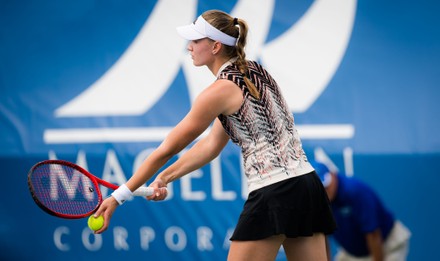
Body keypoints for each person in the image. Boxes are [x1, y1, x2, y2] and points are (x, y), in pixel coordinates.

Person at [94, 10, 336, 260]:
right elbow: (211, 145)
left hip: (274, 191)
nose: (189, 47)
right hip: (307, 186)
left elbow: (167, 149)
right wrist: (164, 177)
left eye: (196, 41)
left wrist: (118, 197)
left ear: (216, 46)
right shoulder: (257, 72)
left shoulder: (217, 92)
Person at [311, 161, 411, 261]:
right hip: (353, 253)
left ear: (333, 175)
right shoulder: (317, 200)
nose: (325, 191)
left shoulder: (355, 191)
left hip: (386, 246)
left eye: (326, 185)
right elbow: (323, 238)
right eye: (320, 188)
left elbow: (373, 234)